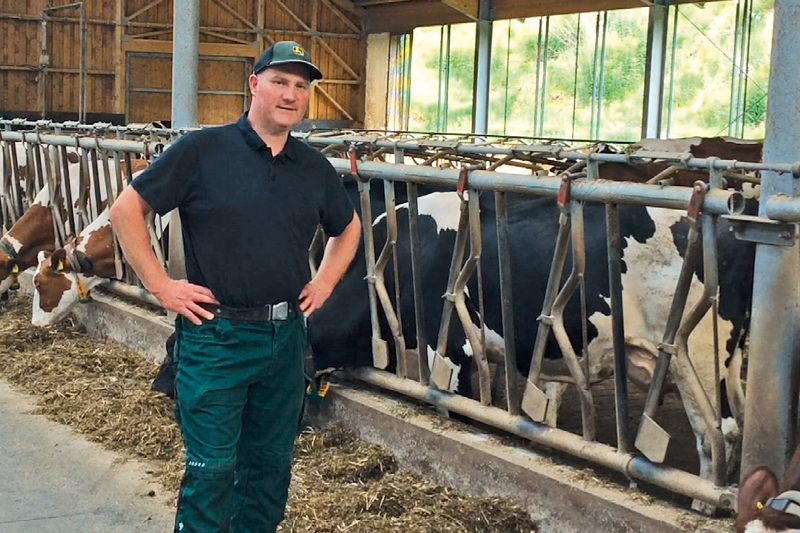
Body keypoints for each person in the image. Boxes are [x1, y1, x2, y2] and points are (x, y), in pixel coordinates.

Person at [109, 40, 361, 533]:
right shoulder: (201, 150)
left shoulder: (313, 168)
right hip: (216, 336)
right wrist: (162, 286)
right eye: (280, 82)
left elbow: (347, 226)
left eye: (301, 86)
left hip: (285, 338)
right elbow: (126, 210)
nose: (291, 94)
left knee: (270, 467)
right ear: (254, 85)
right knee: (214, 469)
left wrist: (326, 280)